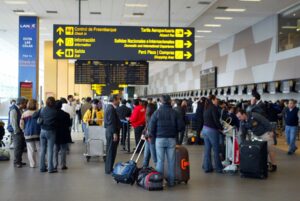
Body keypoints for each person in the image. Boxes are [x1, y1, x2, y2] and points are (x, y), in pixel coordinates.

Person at [149, 95, 185, 187]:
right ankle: (171, 182)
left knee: (160, 161)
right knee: (171, 161)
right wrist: (174, 131)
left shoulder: (156, 113)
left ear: (161, 102)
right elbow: (181, 127)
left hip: (159, 139)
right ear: (170, 101)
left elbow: (151, 128)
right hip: (171, 139)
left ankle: (159, 182)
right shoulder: (175, 113)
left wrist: (153, 138)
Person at [202, 95, 224, 173]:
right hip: (212, 130)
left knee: (207, 150)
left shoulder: (206, 107)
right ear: (212, 100)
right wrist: (221, 128)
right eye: (216, 99)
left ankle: (207, 167)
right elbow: (216, 120)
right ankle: (218, 168)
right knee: (216, 149)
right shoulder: (213, 108)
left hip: (204, 129)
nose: (217, 100)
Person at [38, 97, 58, 173]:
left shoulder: (42, 109)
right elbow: (57, 122)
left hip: (42, 131)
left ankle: (42, 167)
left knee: (42, 149)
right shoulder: (55, 112)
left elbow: (35, 116)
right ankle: (50, 168)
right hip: (51, 131)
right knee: (50, 150)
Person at [20, 99, 41, 168]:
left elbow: (21, 125)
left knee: (30, 150)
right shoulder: (38, 113)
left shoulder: (24, 114)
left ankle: (33, 164)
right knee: (40, 149)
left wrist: (24, 130)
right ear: (35, 105)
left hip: (28, 133)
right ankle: (43, 163)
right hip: (38, 133)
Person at [7, 97, 27, 168]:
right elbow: (13, 122)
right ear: (21, 103)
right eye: (24, 103)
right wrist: (16, 131)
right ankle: (16, 162)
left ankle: (19, 160)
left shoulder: (19, 109)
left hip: (19, 130)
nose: (26, 104)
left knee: (21, 146)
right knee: (17, 146)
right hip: (15, 131)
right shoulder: (13, 109)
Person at [104, 95, 121, 174]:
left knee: (110, 150)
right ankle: (109, 169)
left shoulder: (109, 108)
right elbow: (112, 122)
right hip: (112, 132)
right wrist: (114, 133)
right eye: (118, 99)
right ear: (114, 100)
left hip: (109, 131)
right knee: (111, 151)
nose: (119, 101)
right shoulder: (111, 109)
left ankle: (109, 168)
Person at [54, 100, 72, 170]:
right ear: (61, 106)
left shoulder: (53, 114)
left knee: (55, 149)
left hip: (55, 133)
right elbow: (69, 124)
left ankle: (55, 165)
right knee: (63, 150)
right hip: (64, 133)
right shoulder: (66, 114)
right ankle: (63, 165)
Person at [142, 103, 157, 167]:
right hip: (149, 139)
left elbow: (152, 130)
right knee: (147, 157)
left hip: (151, 139)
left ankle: (159, 173)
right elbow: (147, 126)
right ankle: (144, 170)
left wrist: (145, 135)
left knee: (153, 158)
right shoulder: (148, 116)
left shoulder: (153, 117)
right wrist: (144, 133)